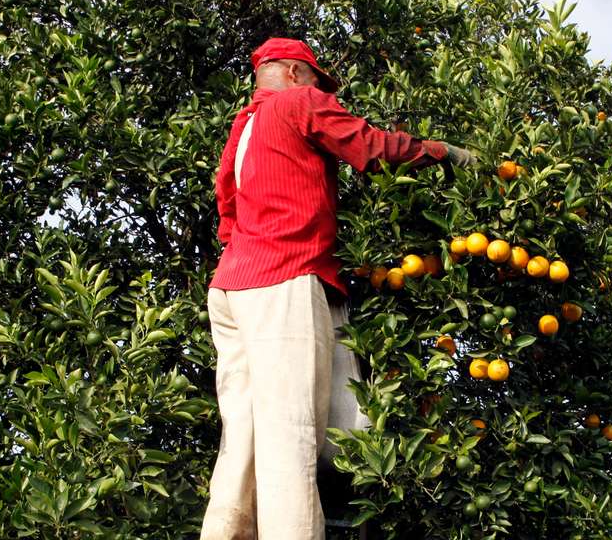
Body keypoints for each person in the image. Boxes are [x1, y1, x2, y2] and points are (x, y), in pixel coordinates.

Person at [200, 38, 475, 540]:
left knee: (244, 437)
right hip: (280, 281)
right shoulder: (299, 102)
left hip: (230, 290)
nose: (320, 90)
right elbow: (369, 147)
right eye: (314, 78)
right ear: (289, 72)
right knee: (291, 434)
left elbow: (227, 212)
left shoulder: (243, 129)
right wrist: (440, 152)